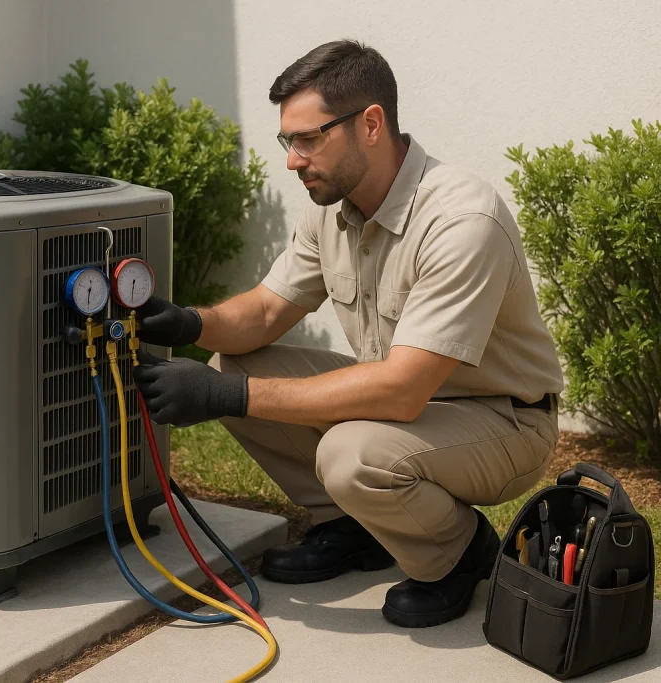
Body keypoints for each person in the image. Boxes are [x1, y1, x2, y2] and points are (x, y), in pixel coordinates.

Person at [132, 38, 565, 628]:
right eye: (289, 139)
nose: (292, 159)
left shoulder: (462, 219)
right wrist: (190, 323)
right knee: (230, 366)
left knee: (347, 453)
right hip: (398, 403)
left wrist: (227, 399)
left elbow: (403, 390)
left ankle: (458, 553)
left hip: (502, 421)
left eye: (309, 138)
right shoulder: (330, 205)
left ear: (370, 124)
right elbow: (262, 314)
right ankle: (356, 528)